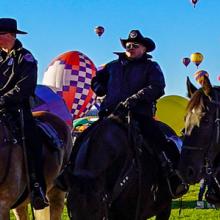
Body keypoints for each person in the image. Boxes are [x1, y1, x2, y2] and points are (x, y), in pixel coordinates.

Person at [56, 30, 188, 198]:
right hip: (110, 115)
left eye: (135, 46)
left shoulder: (151, 67)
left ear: (144, 49)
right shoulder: (112, 66)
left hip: (139, 115)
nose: (130, 48)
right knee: (84, 136)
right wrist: (99, 87)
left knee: (159, 139)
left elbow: (157, 87)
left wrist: (134, 99)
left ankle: (172, 176)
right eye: (128, 46)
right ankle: (69, 170)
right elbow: (96, 80)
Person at [0, 18, 48, 209]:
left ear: (11, 36)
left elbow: (25, 87)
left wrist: (2, 99)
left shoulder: (25, 58)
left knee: (32, 142)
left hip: (17, 109)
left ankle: (37, 188)